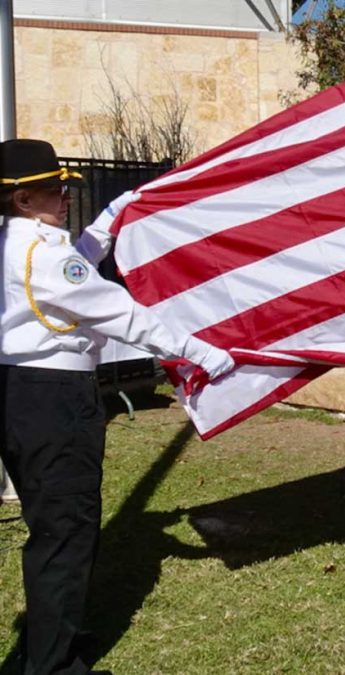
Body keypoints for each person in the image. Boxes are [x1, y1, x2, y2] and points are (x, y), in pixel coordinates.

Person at [0, 139, 234, 675]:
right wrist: (200, 353)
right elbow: (122, 314)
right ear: (21, 199)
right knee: (65, 529)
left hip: (23, 394)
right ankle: (50, 666)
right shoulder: (43, 252)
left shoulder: (18, 247)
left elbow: (63, 283)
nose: (64, 195)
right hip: (54, 401)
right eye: (53, 189)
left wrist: (97, 233)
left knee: (53, 525)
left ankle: (45, 647)